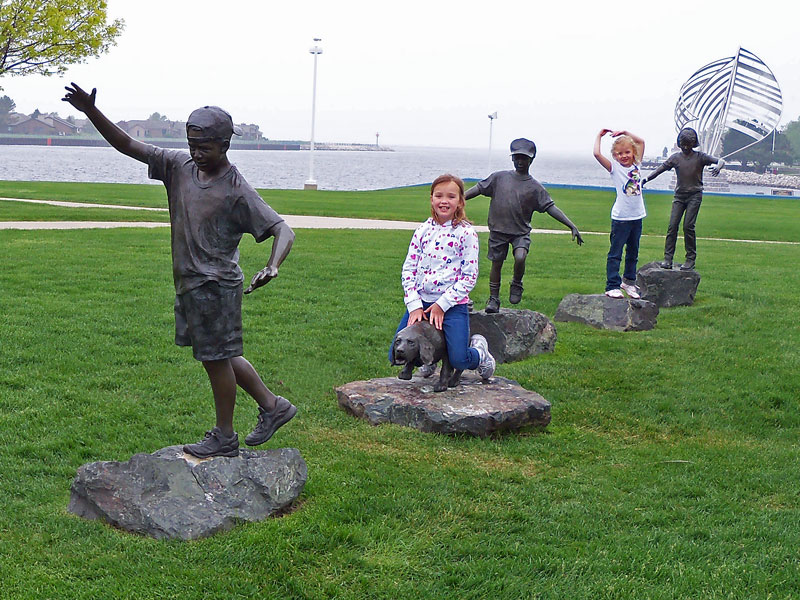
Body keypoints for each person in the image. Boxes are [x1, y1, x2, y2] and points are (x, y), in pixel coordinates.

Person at [63, 83, 296, 459]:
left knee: (215, 358)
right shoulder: (178, 167)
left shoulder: (236, 189)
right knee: (222, 353)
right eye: (192, 145)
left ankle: (225, 435)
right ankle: (273, 406)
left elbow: (283, 230)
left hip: (216, 285)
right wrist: (92, 112)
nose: (196, 153)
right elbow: (128, 145)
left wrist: (273, 265)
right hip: (190, 283)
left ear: (225, 144)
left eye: (204, 147)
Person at [390, 174, 495, 381]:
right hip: (421, 304)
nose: (444, 201)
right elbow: (408, 269)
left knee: (458, 359)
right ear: (431, 199)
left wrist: (442, 305)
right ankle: (429, 361)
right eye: (438, 195)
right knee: (396, 352)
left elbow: (469, 277)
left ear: (460, 202)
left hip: (452, 306)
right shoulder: (422, 230)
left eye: (451, 196)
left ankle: (480, 354)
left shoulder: (466, 234)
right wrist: (414, 305)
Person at [465, 138, 583, 313]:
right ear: (512, 159)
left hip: (520, 232)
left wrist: (571, 225)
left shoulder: (535, 188)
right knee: (496, 264)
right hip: (498, 231)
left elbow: (551, 208)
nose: (520, 162)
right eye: (517, 157)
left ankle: (517, 283)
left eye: (524, 158)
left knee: (520, 257)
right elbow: (478, 189)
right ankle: (493, 298)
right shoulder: (499, 178)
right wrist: (457, 200)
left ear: (531, 160)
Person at [642, 127, 725, 271]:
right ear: (680, 144)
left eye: (688, 145)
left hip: (694, 195)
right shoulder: (675, 158)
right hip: (679, 196)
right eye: (683, 145)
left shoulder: (700, 157)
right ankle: (668, 259)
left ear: (693, 144)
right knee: (672, 226)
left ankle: (690, 259)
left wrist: (718, 166)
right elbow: (660, 169)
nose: (686, 148)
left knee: (688, 226)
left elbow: (721, 160)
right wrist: (646, 179)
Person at [592, 129, 647, 299]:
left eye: (627, 152)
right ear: (615, 156)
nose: (624, 156)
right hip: (621, 218)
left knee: (633, 252)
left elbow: (641, 142)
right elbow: (596, 154)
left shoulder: (637, 165)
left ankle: (629, 282)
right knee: (615, 253)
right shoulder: (614, 168)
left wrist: (625, 132)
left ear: (633, 153)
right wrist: (599, 136)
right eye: (619, 153)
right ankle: (612, 285)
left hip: (637, 216)